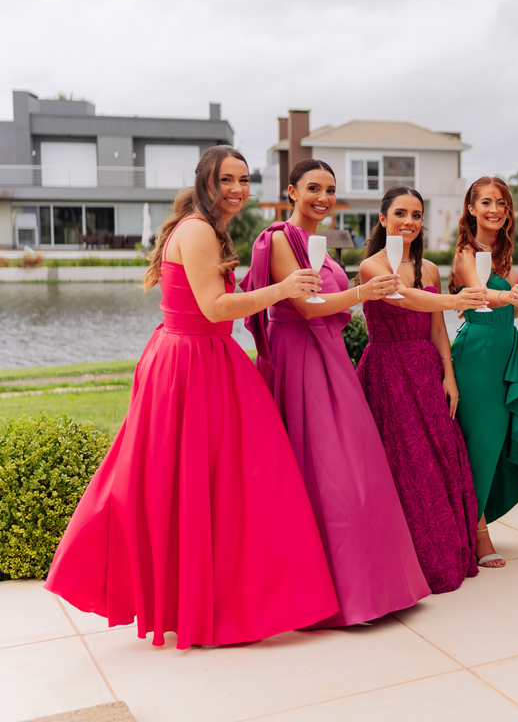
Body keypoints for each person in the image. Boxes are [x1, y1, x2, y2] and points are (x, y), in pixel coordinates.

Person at [44, 145, 338, 648]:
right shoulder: (200, 230)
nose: (238, 190)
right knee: (202, 482)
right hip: (191, 363)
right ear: (206, 180)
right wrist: (283, 287)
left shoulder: (207, 227)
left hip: (202, 358)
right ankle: (210, 604)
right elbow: (215, 305)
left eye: (244, 180)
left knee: (220, 484)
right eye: (227, 179)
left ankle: (225, 600)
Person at [241, 159, 430, 625]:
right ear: (291, 191)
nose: (322, 197)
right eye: (313, 188)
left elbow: (329, 302)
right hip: (300, 357)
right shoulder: (282, 238)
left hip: (330, 358)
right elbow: (305, 306)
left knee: (356, 467)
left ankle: (372, 585)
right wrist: (363, 295)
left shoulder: (323, 248)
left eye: (329, 189)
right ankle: (329, 592)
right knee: (324, 471)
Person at [355, 185, 487, 593]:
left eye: (416, 214)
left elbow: (434, 325)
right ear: (382, 219)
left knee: (442, 455)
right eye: (400, 213)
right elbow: (406, 300)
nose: (408, 221)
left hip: (426, 369)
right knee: (406, 462)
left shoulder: (430, 268)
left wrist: (448, 373)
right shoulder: (371, 268)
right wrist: (457, 301)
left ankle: (451, 549)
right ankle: (408, 561)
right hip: (388, 372)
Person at [449, 176, 518, 568]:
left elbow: (511, 309)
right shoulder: (465, 254)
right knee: (479, 446)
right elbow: (482, 295)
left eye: (501, 203)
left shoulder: (506, 254)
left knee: (496, 444)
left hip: (504, 349)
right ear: (471, 209)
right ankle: (478, 533)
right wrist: (508, 295)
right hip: (478, 356)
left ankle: (474, 522)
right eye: (486, 202)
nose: (495, 209)